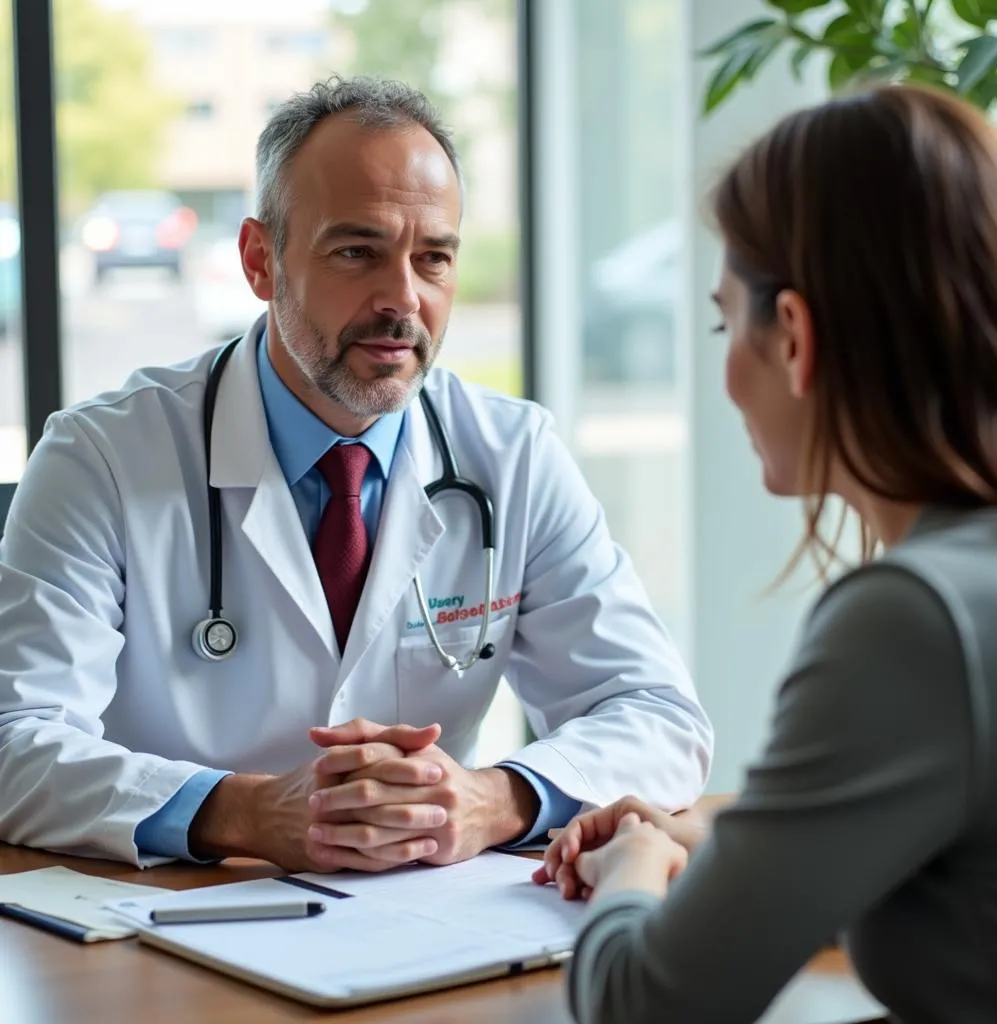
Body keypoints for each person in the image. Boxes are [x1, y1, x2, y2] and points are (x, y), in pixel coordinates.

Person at [0, 76, 711, 871]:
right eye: (357, 252)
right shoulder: (101, 456)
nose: (402, 299)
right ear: (260, 261)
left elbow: (659, 714)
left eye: (433, 258)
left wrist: (492, 800)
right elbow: (12, 741)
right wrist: (238, 811)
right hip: (172, 921)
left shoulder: (514, 454)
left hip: (426, 924)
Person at [536, 82, 997, 1024]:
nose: (724, 371)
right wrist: (722, 844)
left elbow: (647, 1006)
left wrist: (635, 868)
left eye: (726, 323)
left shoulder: (918, 618)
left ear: (794, 336)